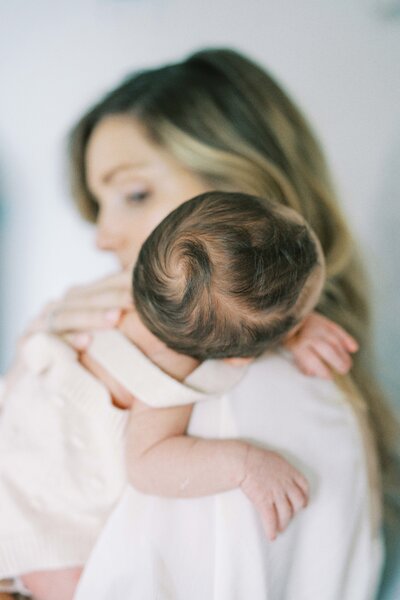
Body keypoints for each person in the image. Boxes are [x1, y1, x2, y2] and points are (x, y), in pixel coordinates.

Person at [2, 47, 396, 599]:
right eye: (99, 204)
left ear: (245, 187)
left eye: (135, 194)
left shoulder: (239, 394)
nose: (102, 235)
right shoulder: (116, 335)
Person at [0, 191, 326, 599]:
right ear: (241, 359)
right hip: (40, 514)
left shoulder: (121, 291)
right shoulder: (166, 374)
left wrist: (294, 331)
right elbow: (150, 462)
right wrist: (243, 463)